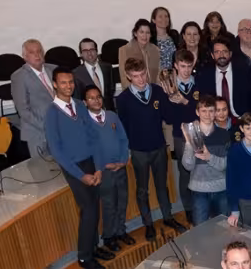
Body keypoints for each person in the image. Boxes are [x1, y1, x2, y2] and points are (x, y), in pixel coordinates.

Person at [44, 67, 108, 269]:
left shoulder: (80, 106)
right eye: (63, 83)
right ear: (55, 85)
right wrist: (82, 175)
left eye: (71, 82)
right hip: (74, 169)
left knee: (95, 207)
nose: (68, 86)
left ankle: (94, 247)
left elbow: (94, 138)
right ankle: (84, 256)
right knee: (88, 210)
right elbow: (57, 152)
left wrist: (98, 168)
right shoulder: (52, 113)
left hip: (91, 163)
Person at [115, 57, 185, 239]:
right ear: (128, 77)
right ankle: (148, 224)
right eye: (136, 76)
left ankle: (168, 217)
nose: (141, 79)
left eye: (143, 74)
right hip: (138, 151)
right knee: (142, 190)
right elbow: (122, 128)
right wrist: (127, 151)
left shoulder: (157, 91)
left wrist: (172, 99)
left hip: (159, 147)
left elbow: (168, 118)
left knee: (162, 186)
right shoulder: (123, 99)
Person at [83, 85, 131, 255]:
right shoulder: (85, 122)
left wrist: (123, 161)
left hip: (120, 167)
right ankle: (109, 236)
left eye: (98, 97)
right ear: (85, 102)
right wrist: (101, 167)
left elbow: (123, 139)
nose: (96, 100)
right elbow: (89, 150)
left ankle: (121, 231)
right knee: (109, 204)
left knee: (122, 201)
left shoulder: (111, 116)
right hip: (103, 172)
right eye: (91, 98)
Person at [181, 95, 230, 226]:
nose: (207, 114)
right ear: (197, 112)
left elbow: (226, 165)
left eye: (211, 110)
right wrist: (188, 142)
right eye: (203, 111)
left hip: (221, 190)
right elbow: (188, 166)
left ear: (215, 113)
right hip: (199, 191)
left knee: (224, 230)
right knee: (201, 232)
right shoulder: (191, 134)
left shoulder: (224, 134)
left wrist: (209, 157)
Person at [163, 49, 199, 224]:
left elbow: (201, 111)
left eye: (189, 66)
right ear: (175, 66)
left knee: (200, 169)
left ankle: (202, 204)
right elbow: (169, 118)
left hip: (198, 131)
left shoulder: (198, 83)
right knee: (185, 173)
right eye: (182, 66)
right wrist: (171, 101)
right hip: (179, 134)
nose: (186, 70)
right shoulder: (169, 86)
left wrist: (185, 102)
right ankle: (189, 209)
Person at [11, 39, 57, 159]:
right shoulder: (19, 76)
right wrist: (46, 126)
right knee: (44, 171)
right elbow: (23, 110)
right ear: (25, 56)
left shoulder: (53, 69)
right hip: (38, 131)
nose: (37, 55)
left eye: (39, 51)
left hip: (59, 127)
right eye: (32, 52)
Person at [197, 37, 251, 118]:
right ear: (212, 55)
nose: (221, 55)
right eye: (217, 52)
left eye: (224, 51)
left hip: (240, 119)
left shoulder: (243, 72)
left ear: (230, 54)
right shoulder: (205, 75)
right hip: (215, 120)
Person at [227, 112, 251, 230]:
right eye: (248, 128)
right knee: (250, 236)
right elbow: (231, 181)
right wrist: (234, 209)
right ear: (241, 129)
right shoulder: (234, 151)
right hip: (246, 202)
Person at [73, 38, 115, 111]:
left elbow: (111, 90)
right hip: (89, 115)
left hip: (109, 112)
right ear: (80, 54)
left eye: (92, 49)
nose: (89, 53)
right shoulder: (76, 74)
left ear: (97, 51)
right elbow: (78, 99)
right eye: (85, 51)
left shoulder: (107, 67)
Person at [118, 19, 161, 86]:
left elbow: (159, 75)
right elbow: (124, 78)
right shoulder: (124, 50)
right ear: (135, 33)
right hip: (134, 92)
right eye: (141, 32)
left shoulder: (156, 50)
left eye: (147, 33)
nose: (144, 36)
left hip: (153, 90)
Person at [150, 6, 178, 71]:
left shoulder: (174, 35)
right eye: (160, 16)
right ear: (153, 20)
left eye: (166, 16)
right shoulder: (150, 38)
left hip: (174, 75)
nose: (164, 19)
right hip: (156, 76)